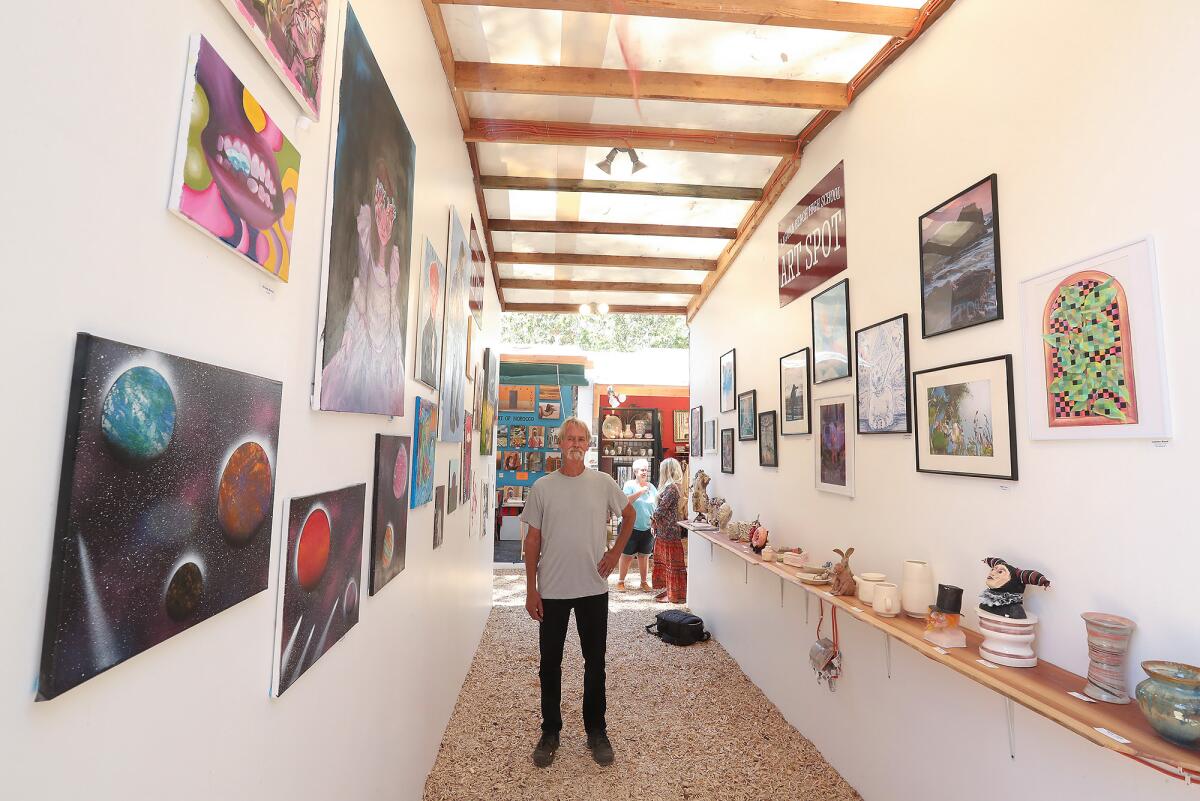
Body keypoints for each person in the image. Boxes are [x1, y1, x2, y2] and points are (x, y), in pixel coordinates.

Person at [522, 417, 635, 769]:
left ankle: (596, 731)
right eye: (569, 438)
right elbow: (533, 540)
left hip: (592, 587)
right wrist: (530, 589)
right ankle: (550, 731)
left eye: (581, 438)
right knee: (549, 665)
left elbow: (629, 515)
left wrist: (616, 553)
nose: (575, 443)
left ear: (588, 445)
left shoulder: (603, 483)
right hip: (552, 589)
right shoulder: (542, 487)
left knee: (595, 663)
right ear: (559, 444)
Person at [650, 458, 687, 604]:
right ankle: (670, 591)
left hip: (668, 531)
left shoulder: (671, 488)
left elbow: (661, 510)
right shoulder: (673, 487)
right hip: (666, 530)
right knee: (668, 562)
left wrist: (653, 521)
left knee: (672, 563)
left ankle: (675, 594)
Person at [617, 459, 657, 592]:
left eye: (646, 469)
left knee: (644, 555)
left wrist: (655, 520)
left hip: (647, 527)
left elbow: (656, 504)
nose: (644, 472)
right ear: (635, 472)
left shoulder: (652, 487)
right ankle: (621, 581)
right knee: (627, 555)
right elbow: (626, 501)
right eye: (642, 470)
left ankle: (644, 582)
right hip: (631, 527)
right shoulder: (629, 485)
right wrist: (641, 491)